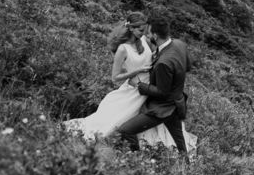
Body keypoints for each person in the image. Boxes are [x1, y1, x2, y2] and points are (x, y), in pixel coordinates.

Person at [64, 12, 195, 152]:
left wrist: (164, 76)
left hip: (151, 91)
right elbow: (115, 78)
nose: (145, 33)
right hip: (136, 90)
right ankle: (132, 151)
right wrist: (137, 72)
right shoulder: (123, 49)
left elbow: (160, 58)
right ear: (131, 29)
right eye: (141, 30)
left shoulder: (146, 41)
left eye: (146, 30)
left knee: (152, 124)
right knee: (117, 123)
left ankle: (149, 150)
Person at [111, 18, 194, 158]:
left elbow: (162, 92)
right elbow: (188, 67)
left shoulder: (163, 62)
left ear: (155, 35)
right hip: (177, 102)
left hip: (161, 108)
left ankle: (136, 159)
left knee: (125, 130)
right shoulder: (180, 44)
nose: (146, 36)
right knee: (179, 140)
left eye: (148, 34)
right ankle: (186, 164)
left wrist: (140, 85)